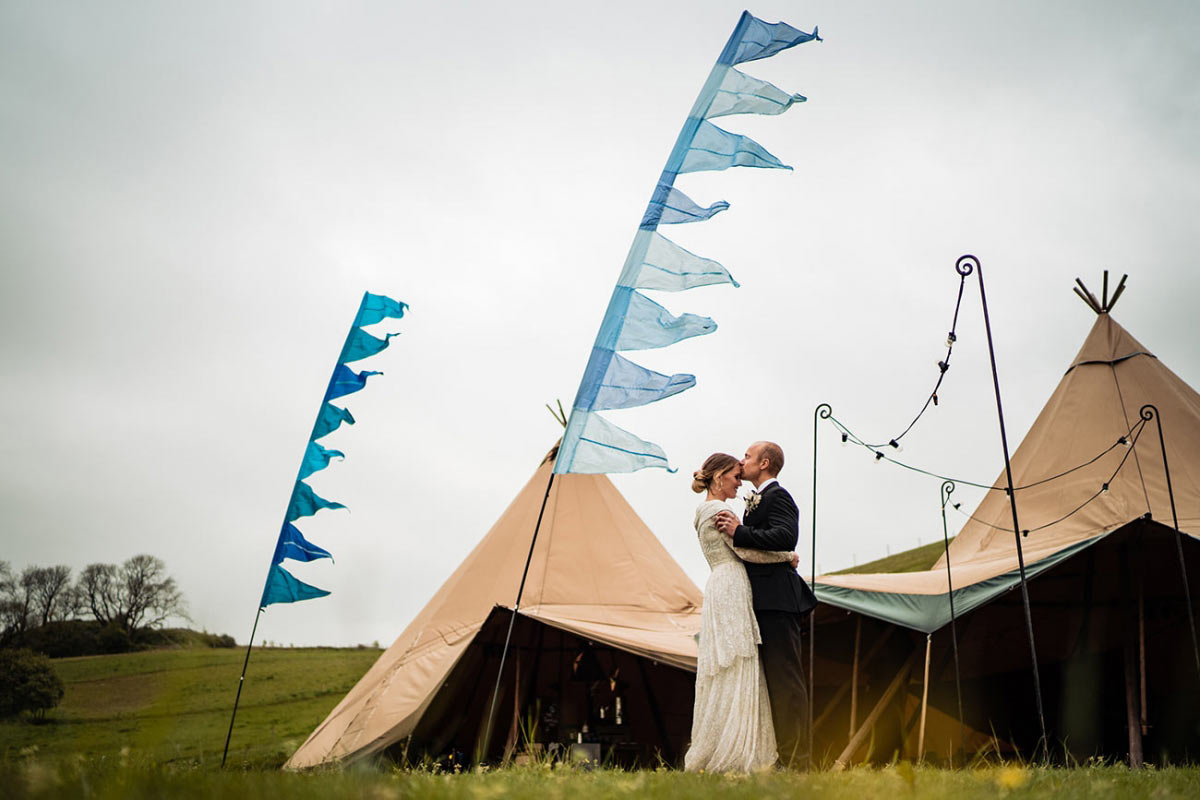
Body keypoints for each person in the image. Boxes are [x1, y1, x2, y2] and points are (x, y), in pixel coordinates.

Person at [684, 452, 800, 773]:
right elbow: (745, 551)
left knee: (726, 664)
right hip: (732, 584)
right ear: (719, 476)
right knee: (739, 662)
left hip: (718, 584)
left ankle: (720, 740)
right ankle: (736, 748)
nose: (738, 483)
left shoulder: (702, 510)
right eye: (735, 477)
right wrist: (787, 557)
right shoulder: (719, 510)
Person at [714, 441, 818, 769]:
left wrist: (740, 531)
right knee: (769, 681)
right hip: (760, 600)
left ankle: (798, 760)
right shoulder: (756, 500)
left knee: (785, 681)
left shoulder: (778, 496)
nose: (742, 460)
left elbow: (786, 536)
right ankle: (777, 755)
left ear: (764, 463)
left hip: (777, 601)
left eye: (748, 456)